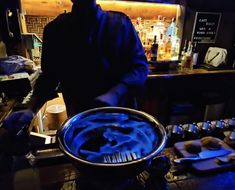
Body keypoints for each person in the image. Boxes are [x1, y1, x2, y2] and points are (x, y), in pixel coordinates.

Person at [2, 0, 148, 136]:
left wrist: (115, 94)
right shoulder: (55, 30)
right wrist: (31, 109)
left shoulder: (121, 24)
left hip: (123, 123)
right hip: (82, 125)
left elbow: (140, 67)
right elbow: (49, 79)